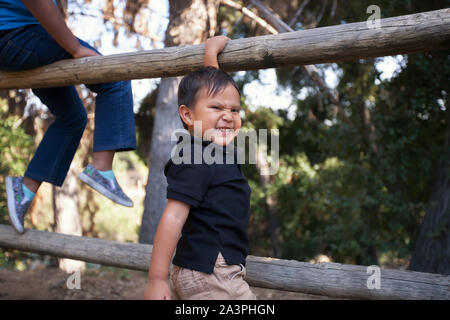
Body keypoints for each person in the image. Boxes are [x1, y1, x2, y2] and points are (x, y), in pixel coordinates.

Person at [0, 0, 136, 234]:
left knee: (72, 117)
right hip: (15, 36)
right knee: (115, 76)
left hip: (18, 40)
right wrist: (74, 48)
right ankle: (101, 169)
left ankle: (25, 189)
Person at [144, 35, 256, 300]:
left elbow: (213, 93)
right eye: (217, 108)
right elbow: (173, 217)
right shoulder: (195, 156)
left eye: (235, 110)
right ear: (187, 115)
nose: (228, 115)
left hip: (213, 271)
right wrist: (156, 279)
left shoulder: (210, 149)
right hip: (212, 274)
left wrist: (211, 53)